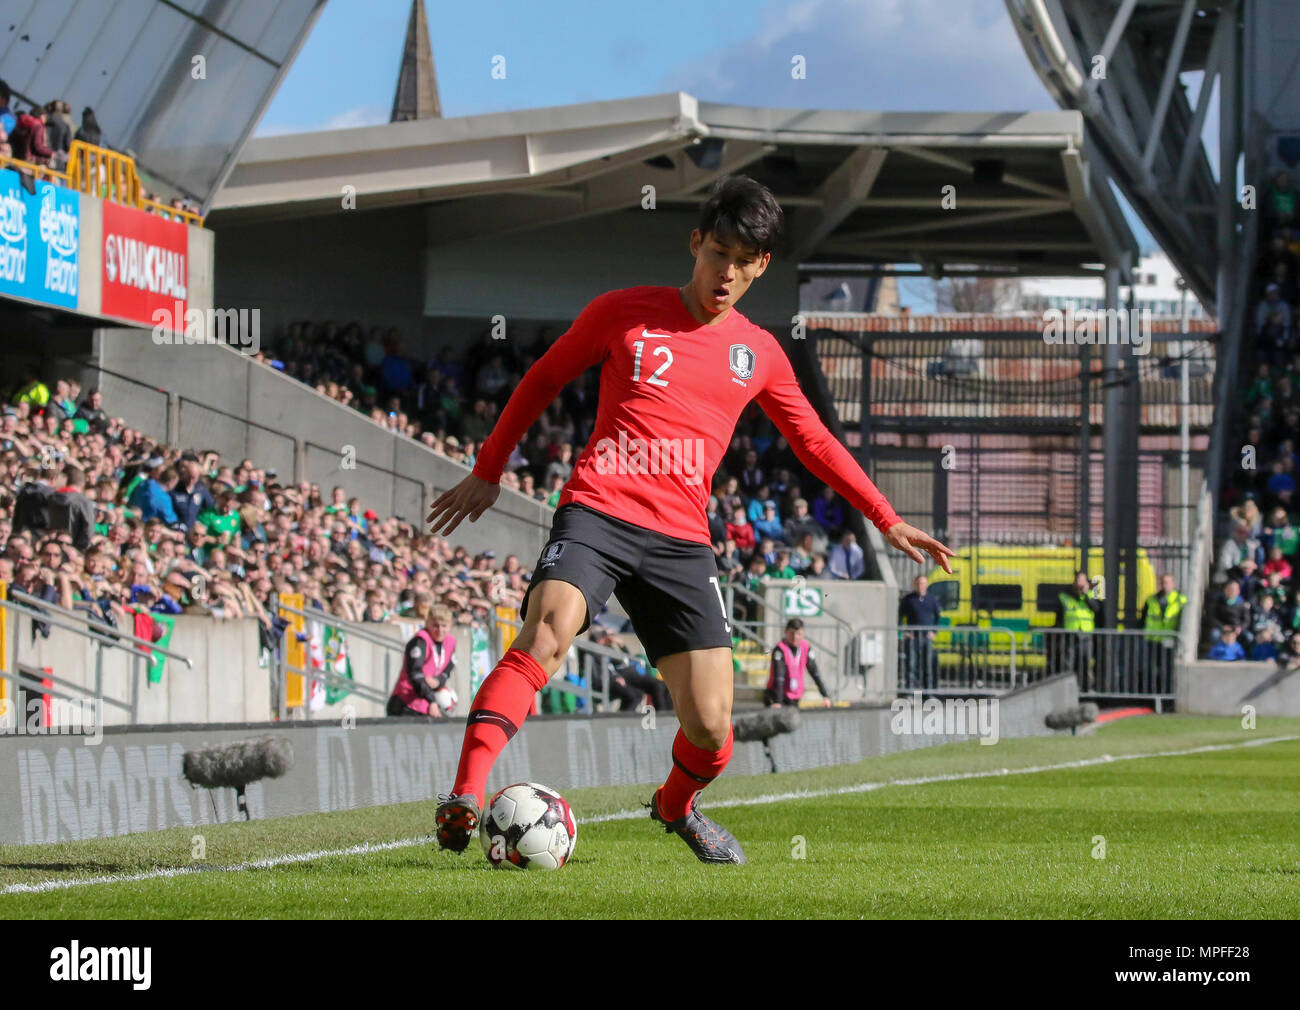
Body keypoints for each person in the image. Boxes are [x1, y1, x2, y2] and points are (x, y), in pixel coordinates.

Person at [425, 174, 952, 864]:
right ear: (695, 242)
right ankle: (465, 795)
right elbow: (544, 378)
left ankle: (675, 807)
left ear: (762, 266)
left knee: (710, 727)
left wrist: (885, 517)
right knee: (546, 633)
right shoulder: (622, 312)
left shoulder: (758, 352)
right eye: (718, 253)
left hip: (681, 541)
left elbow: (814, 441)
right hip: (599, 512)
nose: (726, 273)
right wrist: (490, 467)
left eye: (744, 261)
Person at [387, 605, 456, 717]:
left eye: (444, 626)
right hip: (406, 703)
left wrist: (439, 681)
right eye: (435, 625)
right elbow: (415, 674)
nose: (439, 630)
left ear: (450, 626)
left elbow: (449, 667)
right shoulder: (420, 641)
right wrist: (431, 700)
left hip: (426, 705)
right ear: (428, 623)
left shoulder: (451, 642)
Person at [1053, 571, 1103, 692]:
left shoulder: (1092, 595)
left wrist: (1085, 595)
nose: (1079, 583)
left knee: (1085, 664)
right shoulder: (1066, 596)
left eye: (1081, 581)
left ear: (1086, 582)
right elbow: (1059, 615)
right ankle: (1067, 690)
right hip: (1070, 635)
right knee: (1068, 665)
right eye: (1077, 580)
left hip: (1085, 635)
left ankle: (1085, 689)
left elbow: (1097, 609)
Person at [764, 618, 831, 707]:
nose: (795, 637)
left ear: (803, 634)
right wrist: (778, 701)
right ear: (786, 632)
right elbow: (779, 677)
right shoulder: (779, 649)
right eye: (792, 633)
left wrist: (825, 695)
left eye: (799, 633)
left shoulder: (805, 647)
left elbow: (815, 673)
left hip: (794, 697)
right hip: (777, 695)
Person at [1139, 573, 1185, 695]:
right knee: (1151, 669)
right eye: (1163, 582)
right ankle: (1151, 695)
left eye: (1168, 582)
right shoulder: (1151, 599)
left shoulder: (1180, 599)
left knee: (1167, 669)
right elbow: (1143, 619)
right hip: (1152, 639)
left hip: (1169, 640)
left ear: (1173, 584)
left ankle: (1167, 695)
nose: (1165, 585)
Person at [899, 574, 942, 690]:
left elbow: (938, 617)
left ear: (926, 585)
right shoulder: (908, 599)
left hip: (926, 637)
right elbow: (899, 616)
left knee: (927, 665)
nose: (920, 586)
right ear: (914, 585)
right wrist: (905, 632)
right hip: (913, 638)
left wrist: (933, 631)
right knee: (911, 665)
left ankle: (928, 692)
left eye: (922, 583)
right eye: (918, 584)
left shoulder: (932, 599)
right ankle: (910, 692)